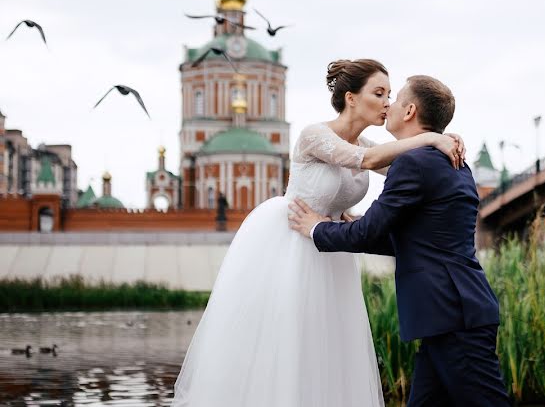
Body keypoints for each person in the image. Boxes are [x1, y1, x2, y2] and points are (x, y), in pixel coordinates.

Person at [172, 59, 465, 407]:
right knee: (287, 344)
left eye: (390, 95)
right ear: (352, 98)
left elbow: (408, 166)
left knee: (330, 346)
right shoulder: (316, 135)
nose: (387, 102)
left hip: (329, 248)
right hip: (290, 242)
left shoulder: (371, 142)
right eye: (379, 93)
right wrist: (433, 137)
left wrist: (441, 142)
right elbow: (365, 160)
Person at [289, 75, 509, 406]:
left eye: (394, 98)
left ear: (409, 111)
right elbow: (408, 240)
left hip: (452, 315)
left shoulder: (413, 163)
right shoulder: (453, 162)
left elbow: (370, 233)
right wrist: (354, 225)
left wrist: (318, 228)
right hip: (449, 314)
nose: (387, 104)